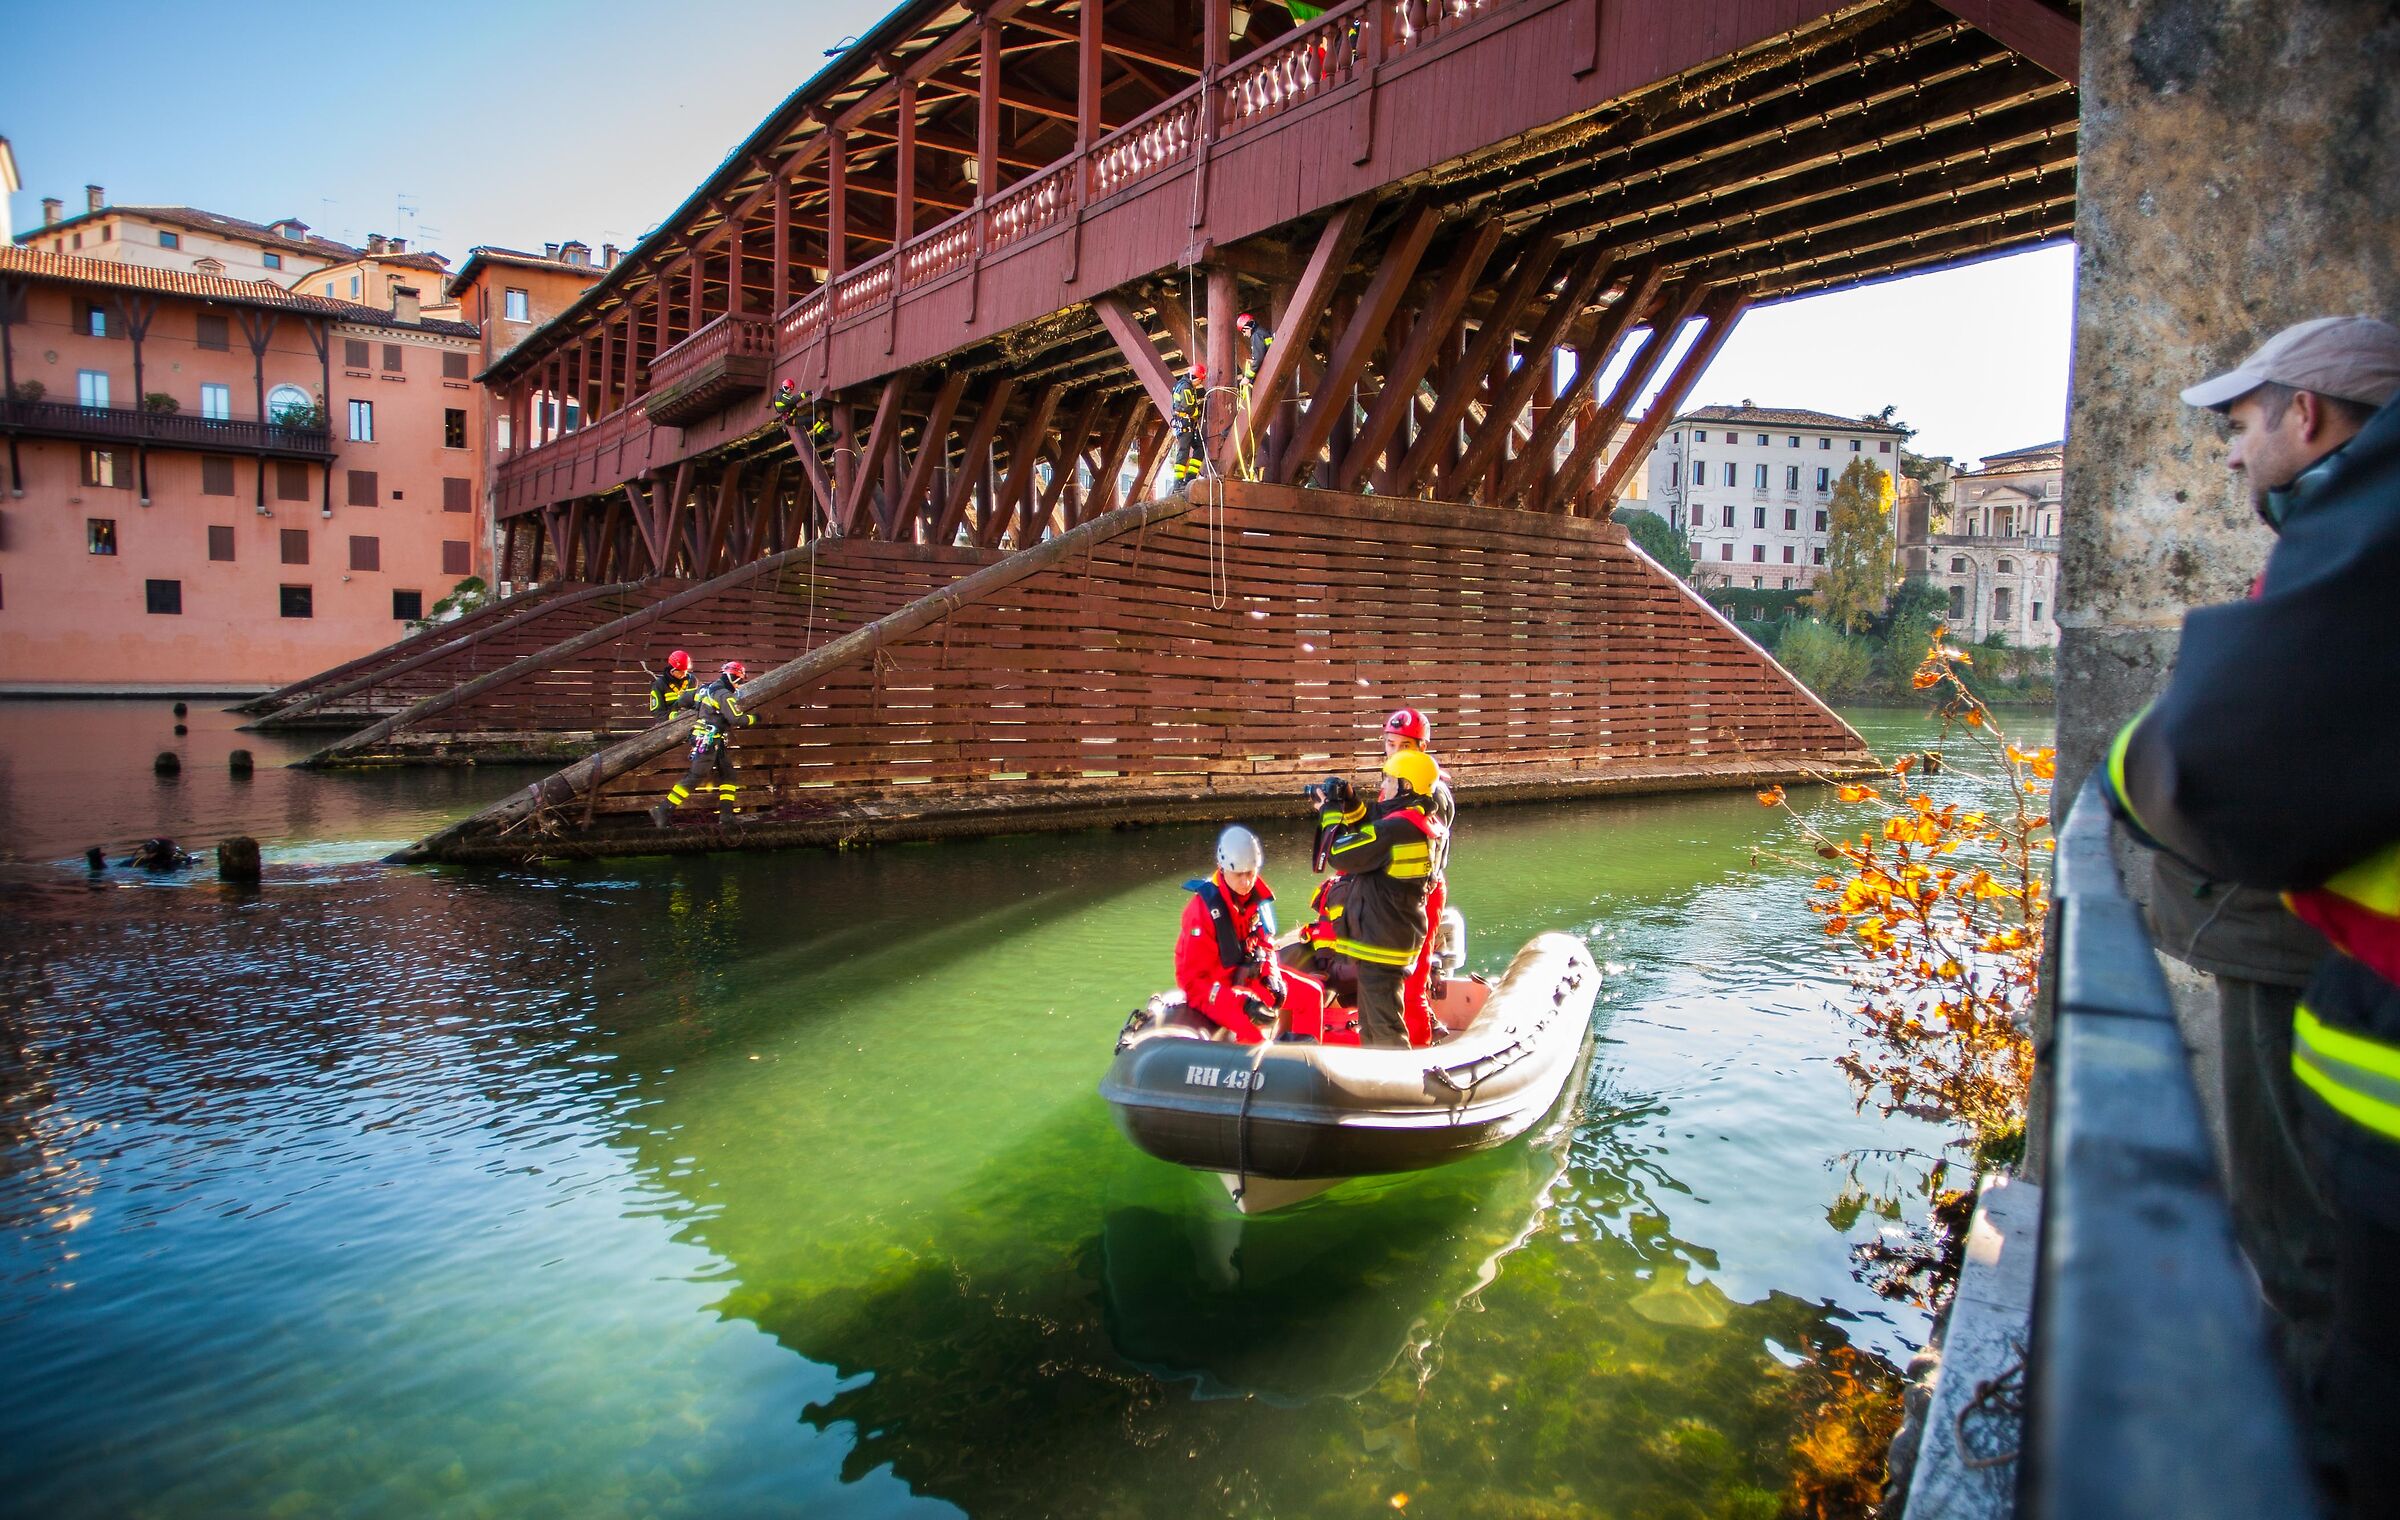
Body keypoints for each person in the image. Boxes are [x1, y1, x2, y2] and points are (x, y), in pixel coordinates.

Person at [2098, 314, 2400, 1508]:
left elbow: (2213, 763)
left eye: (2239, 425)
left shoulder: (2366, 542)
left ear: (2307, 415)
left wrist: (2129, 762)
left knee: (2337, 1335)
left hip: (2369, 1063)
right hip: (2351, 1017)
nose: (2227, 455)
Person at [1320, 748, 1446, 1048]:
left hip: (1381, 945)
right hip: (1392, 937)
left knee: (1385, 1027)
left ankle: (1400, 1087)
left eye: (1389, 781)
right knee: (1374, 1022)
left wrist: (1330, 813)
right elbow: (1369, 827)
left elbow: (1340, 853)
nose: (1383, 787)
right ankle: (1379, 1080)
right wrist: (1350, 802)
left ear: (1406, 786)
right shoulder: (1415, 823)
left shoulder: (1395, 830)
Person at [1175, 825, 1337, 1045]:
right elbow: (1193, 982)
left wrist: (1272, 975)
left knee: (1312, 993)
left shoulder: (1257, 899)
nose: (1246, 882)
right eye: (1238, 874)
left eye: (1250, 874)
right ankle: (1261, 1069)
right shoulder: (1200, 912)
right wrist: (1241, 1002)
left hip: (1250, 977)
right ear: (1222, 868)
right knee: (1254, 1035)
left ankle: (1302, 1060)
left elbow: (1265, 944)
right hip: (1216, 990)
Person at [1383, 708, 1456, 1046]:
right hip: (1391, 893)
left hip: (1420, 894)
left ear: (1421, 749)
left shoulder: (1432, 794)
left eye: (1404, 746)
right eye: (1390, 744)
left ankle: (1423, 1051)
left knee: (1411, 983)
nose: (1395, 752)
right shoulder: (1394, 784)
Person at [651, 660, 758, 826]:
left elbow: (684, 699)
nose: (739, 685)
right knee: (696, 775)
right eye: (740, 681)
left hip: (714, 739)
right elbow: (736, 718)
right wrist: (754, 718)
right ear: (733, 678)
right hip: (707, 740)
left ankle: (726, 815)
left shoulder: (705, 688)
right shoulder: (723, 695)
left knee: (728, 773)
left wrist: (691, 710)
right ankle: (664, 809)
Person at [1168, 363, 1208, 492]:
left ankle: (1190, 477)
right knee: (1183, 451)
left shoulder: (1182, 385)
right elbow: (1188, 407)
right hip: (1185, 422)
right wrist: (1198, 413)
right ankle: (1178, 482)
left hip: (1186, 423)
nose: (1199, 383)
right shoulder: (1186, 387)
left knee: (1199, 448)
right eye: (1200, 380)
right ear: (1195, 377)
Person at [649, 649, 696, 716]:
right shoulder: (660, 684)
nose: (685, 674)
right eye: (681, 671)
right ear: (672, 670)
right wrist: (673, 716)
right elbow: (657, 712)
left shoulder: (692, 681)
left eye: (686, 671)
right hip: (669, 723)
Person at [1235, 312, 1272, 387]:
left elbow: (1258, 359)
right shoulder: (1262, 332)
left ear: (1248, 327)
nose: (1244, 335)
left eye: (1243, 331)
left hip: (1268, 371)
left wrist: (1247, 377)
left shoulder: (1256, 336)